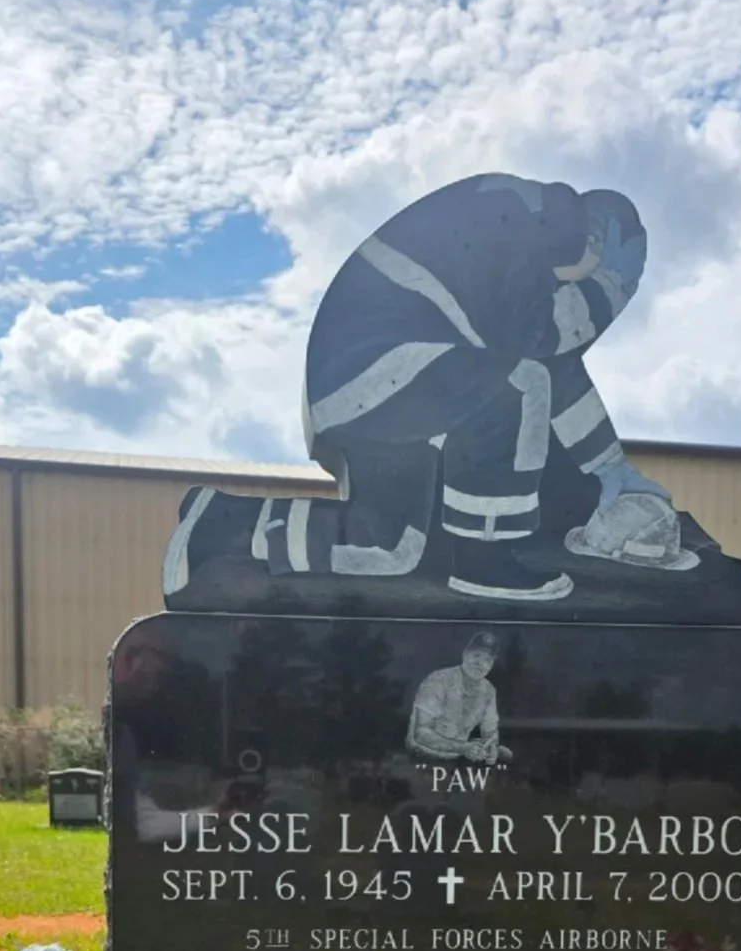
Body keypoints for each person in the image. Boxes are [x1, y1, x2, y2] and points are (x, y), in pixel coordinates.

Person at [162, 173, 697, 603]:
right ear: (596, 242)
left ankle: (221, 523)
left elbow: (559, 368)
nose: (597, 308)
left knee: (389, 548)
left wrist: (608, 468)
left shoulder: (521, 242)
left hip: (386, 379)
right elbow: (536, 348)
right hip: (377, 366)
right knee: (518, 384)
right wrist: (599, 299)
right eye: (610, 286)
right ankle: (485, 562)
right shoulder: (518, 221)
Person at [405, 632, 509, 763]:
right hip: (422, 759)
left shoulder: (488, 691)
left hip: (456, 762)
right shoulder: (438, 680)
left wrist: (491, 749)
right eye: (476, 655)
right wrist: (463, 748)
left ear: (492, 665)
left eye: (487, 660)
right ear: (464, 655)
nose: (480, 663)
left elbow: (490, 732)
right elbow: (421, 733)